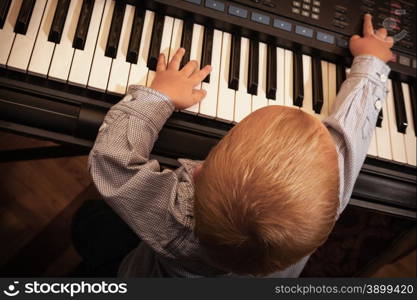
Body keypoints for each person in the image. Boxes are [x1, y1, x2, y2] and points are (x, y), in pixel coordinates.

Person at [72, 13, 394, 277]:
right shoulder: (322, 200)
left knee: (89, 223)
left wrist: (160, 97)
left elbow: (111, 160)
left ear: (197, 175)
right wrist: (371, 62)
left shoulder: (171, 210)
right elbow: (352, 133)